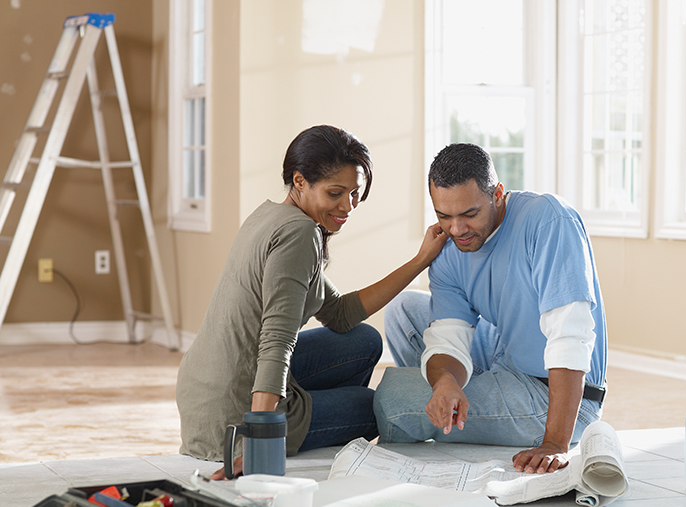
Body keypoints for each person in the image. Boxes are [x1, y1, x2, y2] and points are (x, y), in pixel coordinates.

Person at [175, 125, 446, 479]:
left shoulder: (272, 214)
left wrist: (419, 260)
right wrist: (259, 443)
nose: (348, 206)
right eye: (336, 193)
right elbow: (277, 340)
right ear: (300, 181)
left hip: (205, 386)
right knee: (372, 406)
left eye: (354, 194)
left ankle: (315, 416)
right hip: (232, 412)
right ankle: (296, 425)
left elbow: (340, 313)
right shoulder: (299, 235)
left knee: (365, 340)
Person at [373, 143, 607, 475]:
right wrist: (444, 382)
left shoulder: (548, 220)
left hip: (552, 391)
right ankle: (460, 405)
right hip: (505, 354)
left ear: (497, 194)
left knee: (391, 399)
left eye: (469, 215)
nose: (456, 230)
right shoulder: (450, 246)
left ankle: (468, 416)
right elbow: (447, 338)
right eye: (444, 215)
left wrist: (555, 443)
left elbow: (571, 334)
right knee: (404, 308)